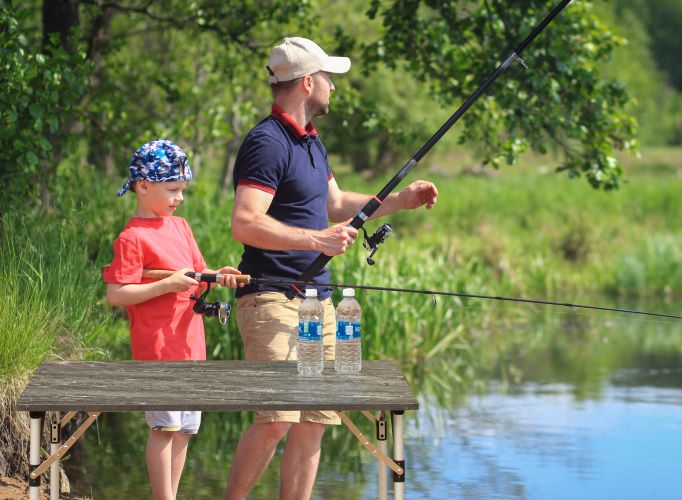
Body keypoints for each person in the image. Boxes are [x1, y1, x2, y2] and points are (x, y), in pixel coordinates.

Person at [226, 37, 439, 499]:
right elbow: (245, 223)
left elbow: (337, 203)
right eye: (328, 78)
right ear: (307, 83)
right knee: (276, 420)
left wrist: (400, 201)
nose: (333, 88)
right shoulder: (267, 142)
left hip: (316, 304)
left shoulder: (312, 143)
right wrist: (317, 239)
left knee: (313, 424)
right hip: (271, 299)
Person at [102, 139, 244, 500]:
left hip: (190, 346)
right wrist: (166, 285)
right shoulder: (131, 238)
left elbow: (197, 272)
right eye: (173, 189)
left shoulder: (180, 227)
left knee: (184, 428)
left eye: (182, 189)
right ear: (143, 186)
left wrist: (218, 274)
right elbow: (116, 294)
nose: (179, 197)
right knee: (164, 428)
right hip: (158, 349)